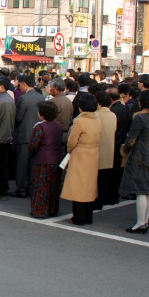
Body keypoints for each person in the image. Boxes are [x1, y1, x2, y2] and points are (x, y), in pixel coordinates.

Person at [120, 90, 149, 234]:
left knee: (140, 191)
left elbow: (131, 139)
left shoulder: (140, 119)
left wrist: (125, 150)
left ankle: (140, 222)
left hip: (140, 155)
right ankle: (145, 221)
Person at [61, 93, 101, 225]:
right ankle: (88, 217)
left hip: (81, 153)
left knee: (78, 188)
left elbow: (72, 141)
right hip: (94, 153)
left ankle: (78, 217)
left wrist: (70, 150)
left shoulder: (79, 121)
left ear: (81, 107)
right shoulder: (97, 119)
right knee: (89, 187)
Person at [11, 74, 45, 198]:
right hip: (37, 134)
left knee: (21, 164)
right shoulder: (41, 97)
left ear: (24, 84)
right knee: (32, 164)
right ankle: (31, 187)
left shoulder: (23, 99)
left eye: (20, 85)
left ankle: (20, 189)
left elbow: (18, 117)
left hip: (24, 134)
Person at [28, 101, 63, 218]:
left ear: (42, 114)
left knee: (41, 186)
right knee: (53, 186)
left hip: (43, 160)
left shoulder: (40, 127)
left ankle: (40, 210)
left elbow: (33, 145)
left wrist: (32, 154)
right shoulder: (57, 125)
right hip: (56, 159)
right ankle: (52, 209)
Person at [107, 86, 131, 204]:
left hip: (113, 143)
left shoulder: (113, 110)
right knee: (116, 173)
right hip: (121, 142)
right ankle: (113, 196)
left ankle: (110, 197)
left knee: (111, 173)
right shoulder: (124, 108)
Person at [94, 91, 117, 210]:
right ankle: (100, 203)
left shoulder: (96, 115)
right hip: (109, 151)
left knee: (95, 181)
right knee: (103, 180)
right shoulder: (113, 115)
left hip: (97, 152)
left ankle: (94, 202)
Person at [48, 78, 74, 143]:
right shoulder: (68, 101)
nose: (50, 89)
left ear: (56, 89)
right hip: (65, 133)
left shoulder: (52, 102)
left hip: (54, 134)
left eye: (51, 87)